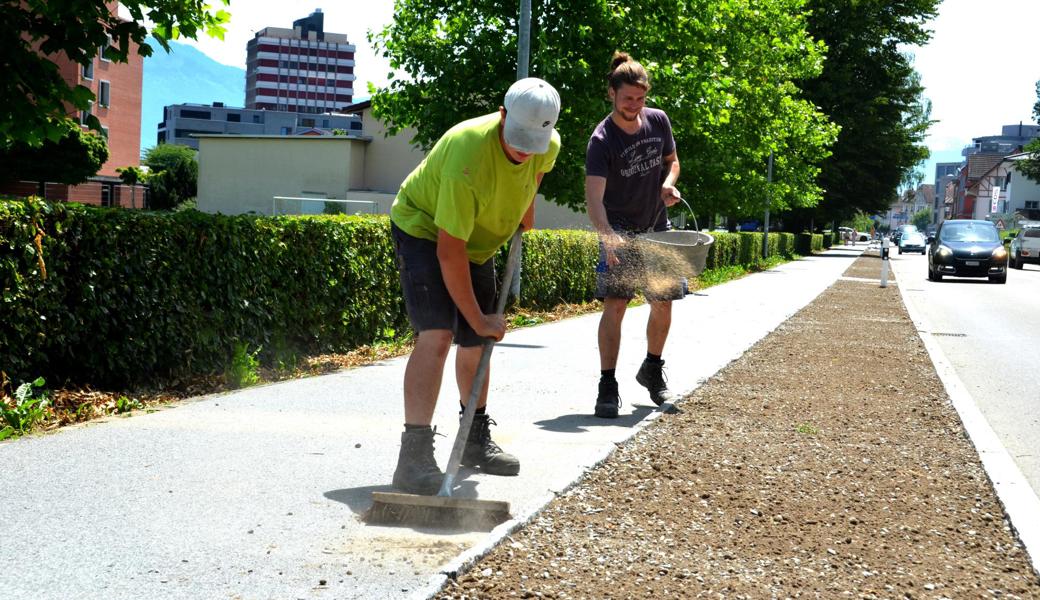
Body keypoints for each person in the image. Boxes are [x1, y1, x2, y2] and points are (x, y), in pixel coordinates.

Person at [388, 78, 562, 494]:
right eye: (516, 138)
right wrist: (479, 318)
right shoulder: (467, 154)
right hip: (426, 230)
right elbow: (450, 252)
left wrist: (525, 207)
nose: (523, 149)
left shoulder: (546, 145)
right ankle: (412, 457)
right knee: (439, 332)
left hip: (479, 242)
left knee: (475, 344)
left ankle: (473, 439)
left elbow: (534, 173)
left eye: (532, 142)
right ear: (502, 115)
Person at [585, 52, 682, 419]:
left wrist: (668, 185)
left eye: (640, 99)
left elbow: (672, 162)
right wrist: (607, 235)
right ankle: (607, 383)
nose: (634, 106)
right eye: (628, 98)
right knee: (617, 303)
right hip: (620, 229)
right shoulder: (602, 139)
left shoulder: (658, 121)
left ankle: (652, 368)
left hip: (657, 224)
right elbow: (594, 199)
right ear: (612, 93)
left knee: (664, 301)